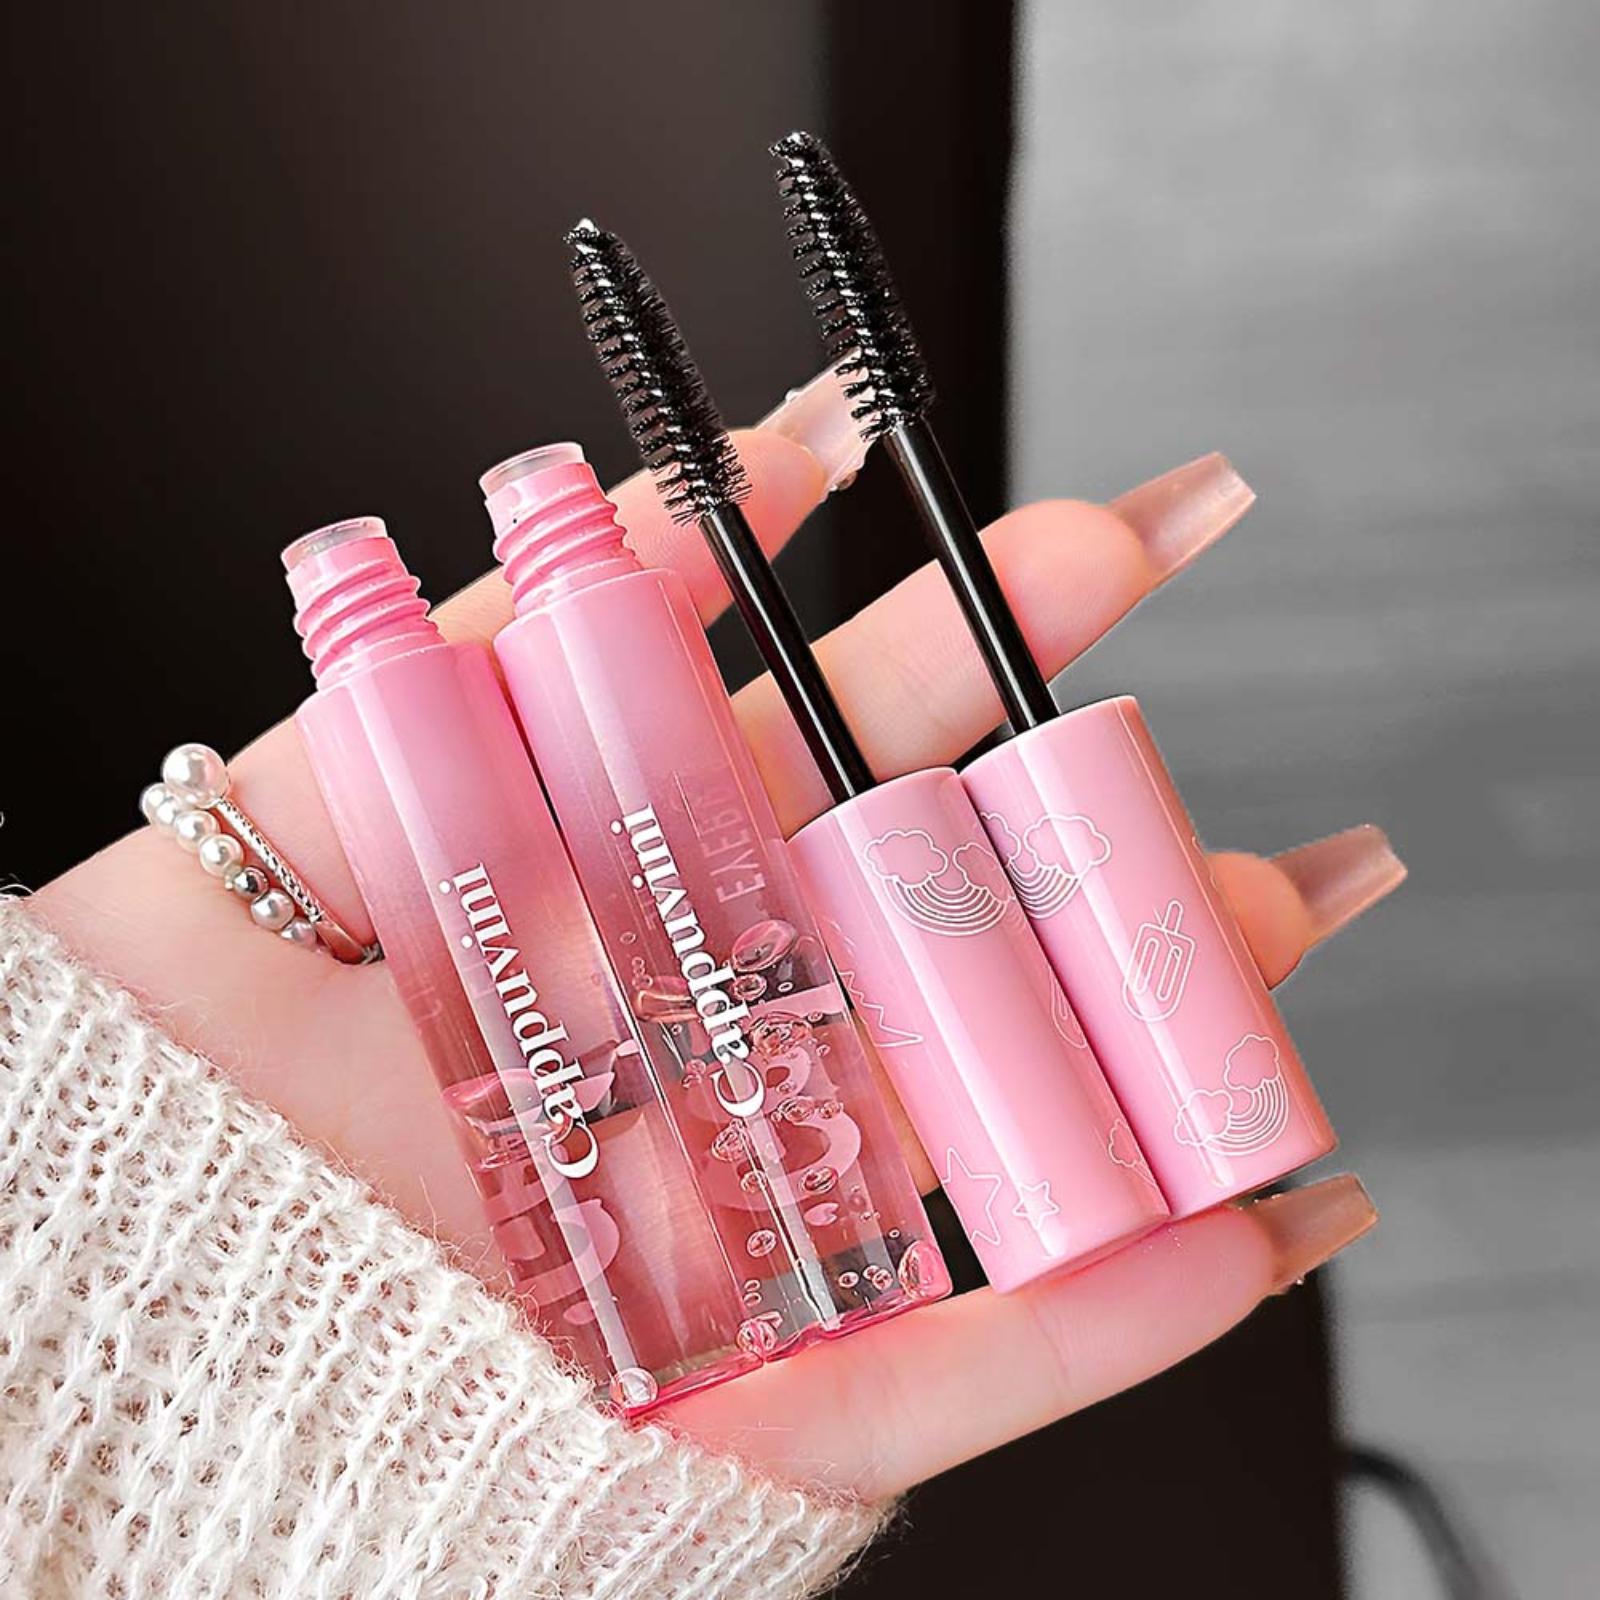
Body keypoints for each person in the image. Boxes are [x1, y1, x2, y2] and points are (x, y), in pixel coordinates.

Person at [0, 372, 1393, 1598]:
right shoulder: (382, 734)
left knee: (702, 976)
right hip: (587, 1279)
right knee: (573, 1051)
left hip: (771, 1144)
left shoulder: (603, 638)